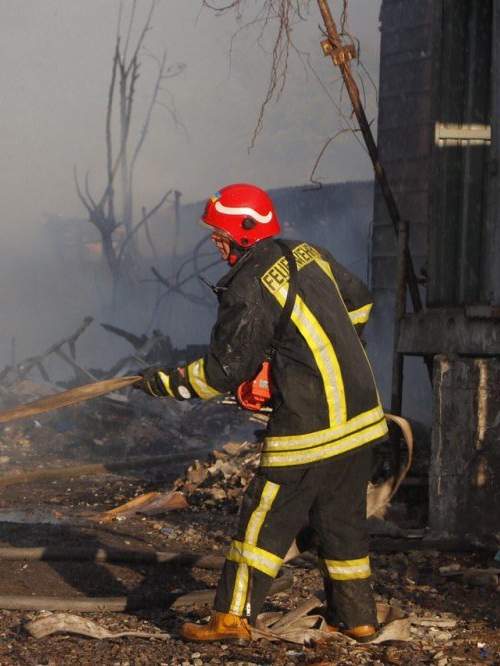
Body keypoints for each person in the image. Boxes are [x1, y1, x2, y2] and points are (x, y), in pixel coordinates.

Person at [137, 183, 387, 644]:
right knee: (342, 523)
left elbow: (222, 372)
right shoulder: (307, 252)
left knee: (262, 520)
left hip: (309, 431)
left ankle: (231, 620)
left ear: (245, 232)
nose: (215, 241)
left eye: (221, 233)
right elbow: (361, 300)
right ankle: (357, 618)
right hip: (363, 418)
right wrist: (317, 352)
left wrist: (164, 383)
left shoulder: (249, 284)